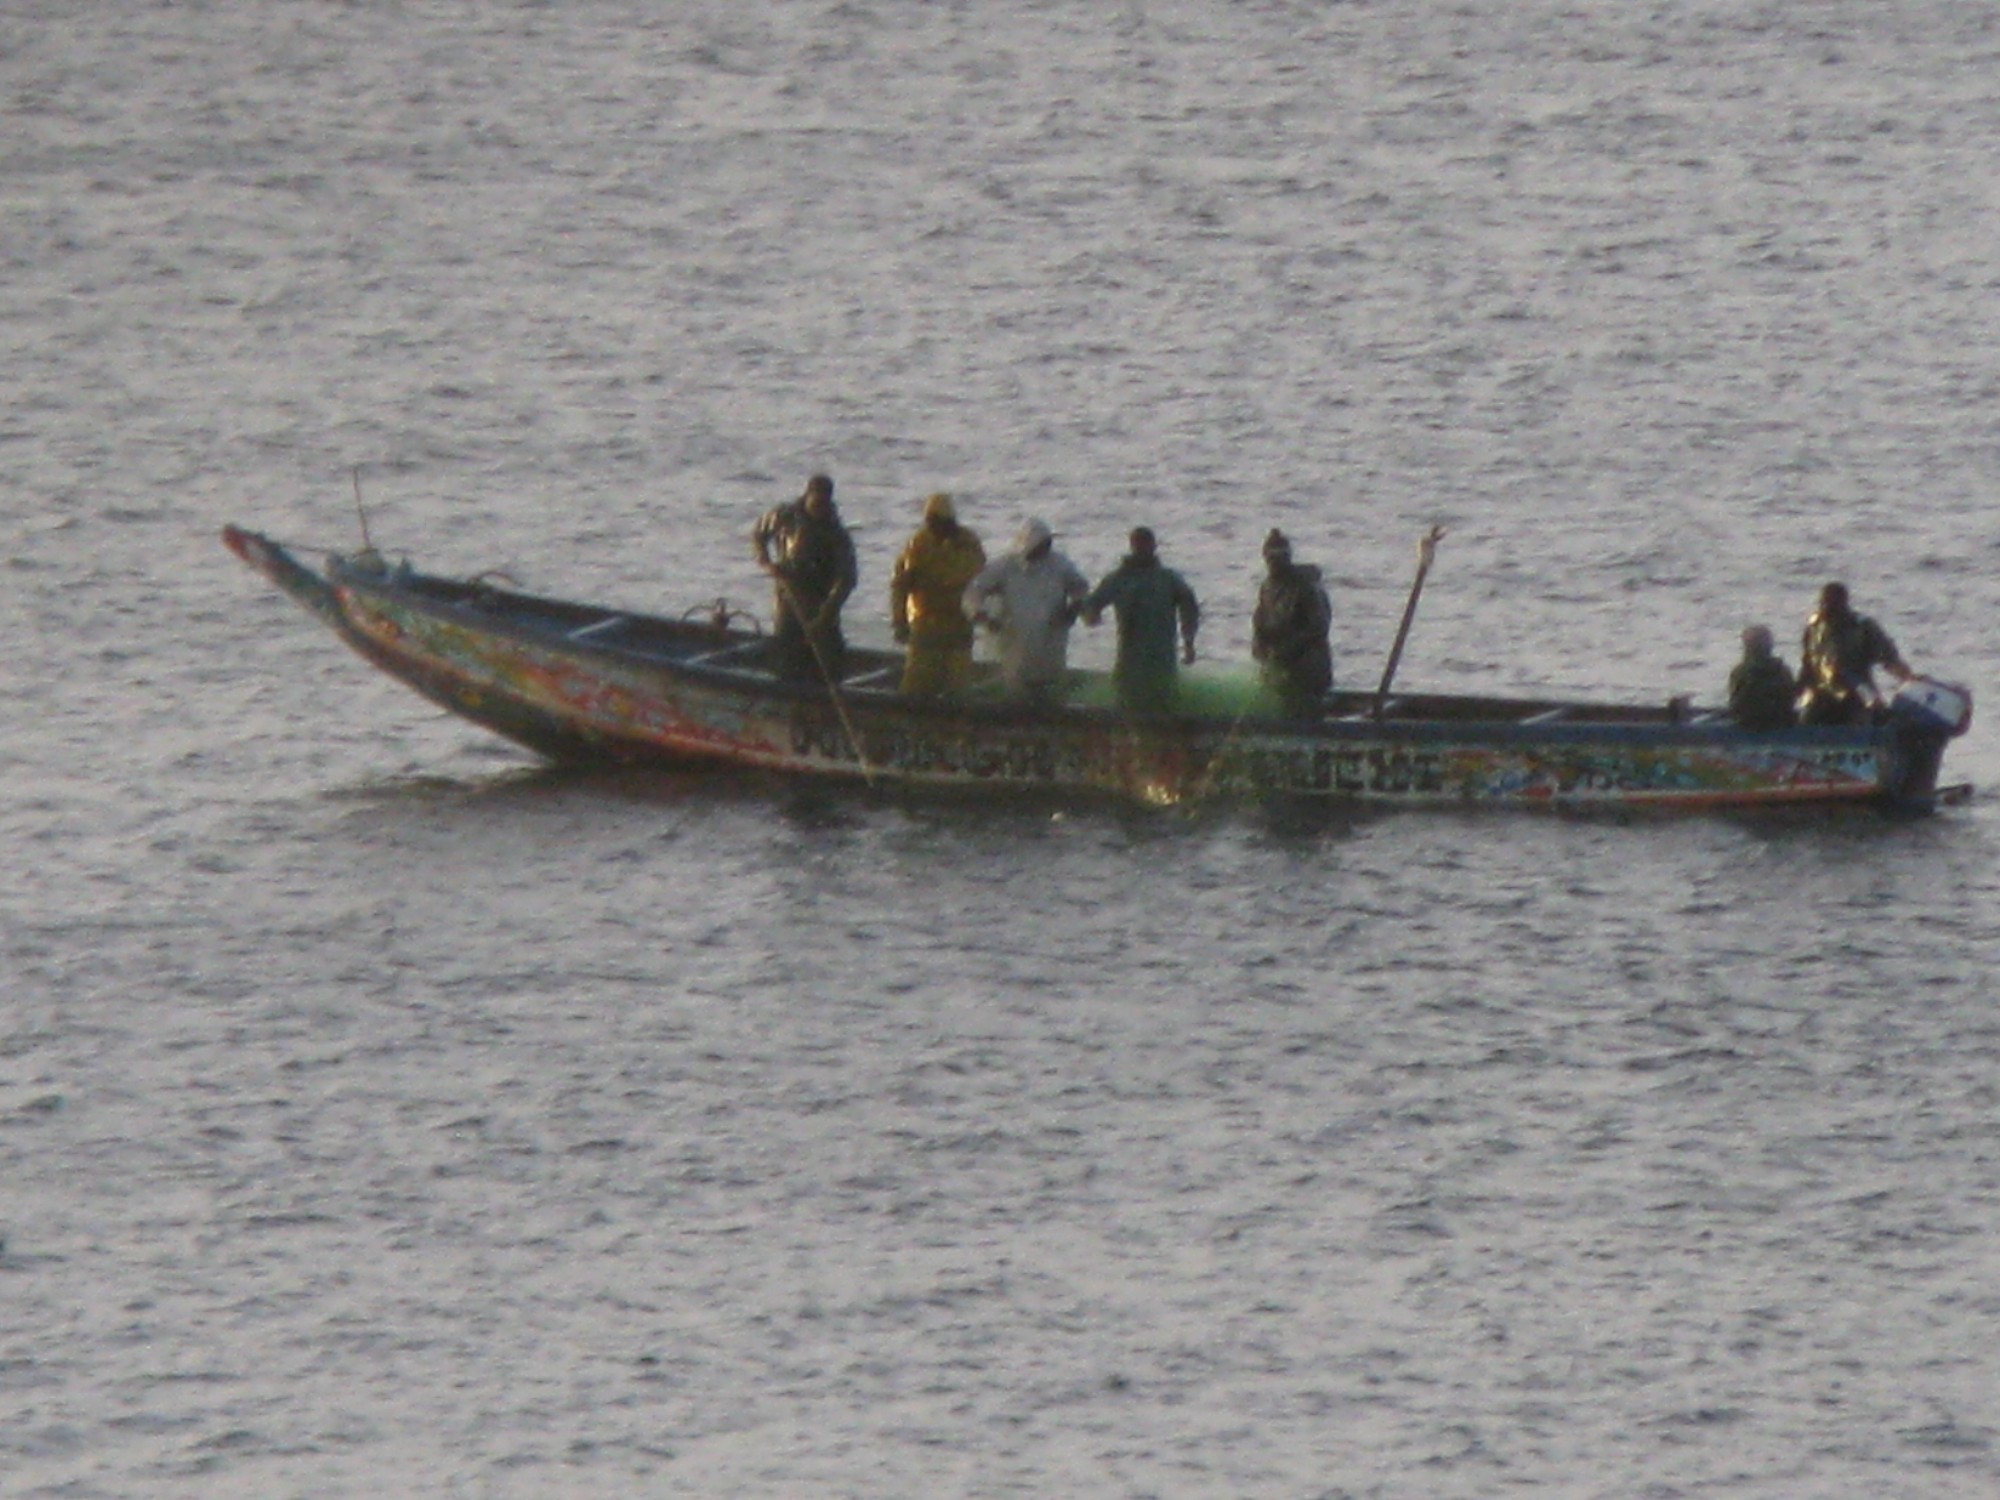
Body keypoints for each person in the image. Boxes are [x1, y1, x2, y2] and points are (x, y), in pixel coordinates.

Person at [963, 517, 1092, 702]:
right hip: (1013, 639)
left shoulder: (1059, 565)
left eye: (1048, 543)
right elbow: (974, 591)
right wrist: (980, 615)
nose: (1047, 548)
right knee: (1015, 684)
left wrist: (1073, 609)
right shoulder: (1005, 567)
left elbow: (1081, 588)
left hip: (1051, 637)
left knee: (1050, 684)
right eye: (1042, 544)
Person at [1080, 526, 1200, 713]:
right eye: (1139, 544)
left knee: (1164, 705)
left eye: (1147, 544)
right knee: (1127, 705)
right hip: (1130, 660)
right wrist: (1091, 615)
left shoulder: (1167, 579)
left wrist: (1189, 641)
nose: (1143, 549)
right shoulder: (1120, 579)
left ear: (1154, 546)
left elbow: (1189, 607)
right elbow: (1092, 603)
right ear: (1132, 546)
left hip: (1162, 660)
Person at [752, 473, 857, 682]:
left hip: (820, 601)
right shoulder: (784, 516)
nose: (819, 509)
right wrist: (765, 560)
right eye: (816, 503)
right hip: (788, 597)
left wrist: (825, 614)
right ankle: (784, 691)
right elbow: (759, 533)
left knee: (829, 660)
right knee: (787, 650)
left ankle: (823, 697)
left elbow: (847, 579)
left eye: (823, 505)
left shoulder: (836, 535)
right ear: (808, 496)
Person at [889, 492, 986, 697]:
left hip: (959, 625)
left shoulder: (969, 544)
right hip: (925, 624)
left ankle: (957, 724)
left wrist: (983, 615)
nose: (933, 525)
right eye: (930, 521)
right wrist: (900, 621)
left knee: (959, 688)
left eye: (938, 521)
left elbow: (981, 582)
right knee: (915, 686)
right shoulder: (917, 545)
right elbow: (900, 586)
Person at [1797, 581, 1911, 725]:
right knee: (1806, 722)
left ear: (1844, 603)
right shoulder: (1814, 628)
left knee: (1863, 722)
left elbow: (1889, 660)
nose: (1826, 607)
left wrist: (1909, 679)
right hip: (1820, 697)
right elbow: (1807, 668)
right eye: (1823, 603)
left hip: (1855, 696)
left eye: (1832, 603)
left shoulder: (1862, 627)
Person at [1250, 529, 1334, 716]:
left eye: (1280, 557)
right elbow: (1260, 624)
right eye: (1271, 557)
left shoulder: (1306, 586)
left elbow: (1318, 628)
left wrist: (1288, 649)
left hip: (1308, 668)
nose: (1274, 562)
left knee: (1302, 706)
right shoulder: (1267, 588)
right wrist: (1259, 647)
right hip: (1278, 668)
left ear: (1288, 557)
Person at [1726, 624, 1797, 731]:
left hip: (1749, 723)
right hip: (1781, 721)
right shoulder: (1782, 669)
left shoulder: (1740, 671)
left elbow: (1735, 703)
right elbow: (1791, 699)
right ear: (1770, 646)